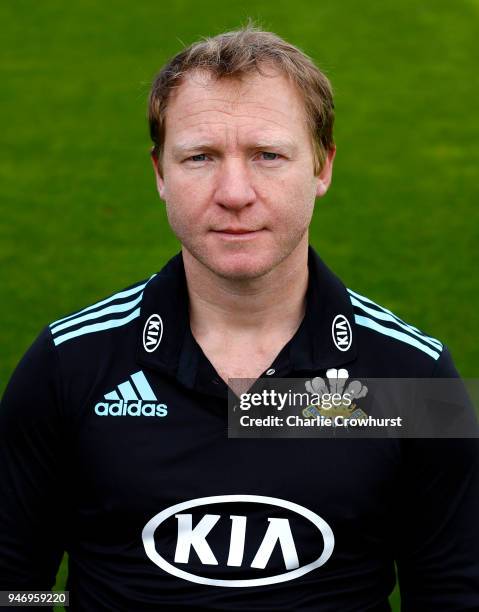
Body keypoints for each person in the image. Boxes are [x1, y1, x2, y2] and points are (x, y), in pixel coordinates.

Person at [1, 26, 478, 612]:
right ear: (159, 173)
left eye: (268, 155)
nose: (234, 192)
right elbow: (14, 585)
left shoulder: (414, 379)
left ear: (323, 167)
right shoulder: (68, 363)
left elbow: (452, 595)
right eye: (200, 157)